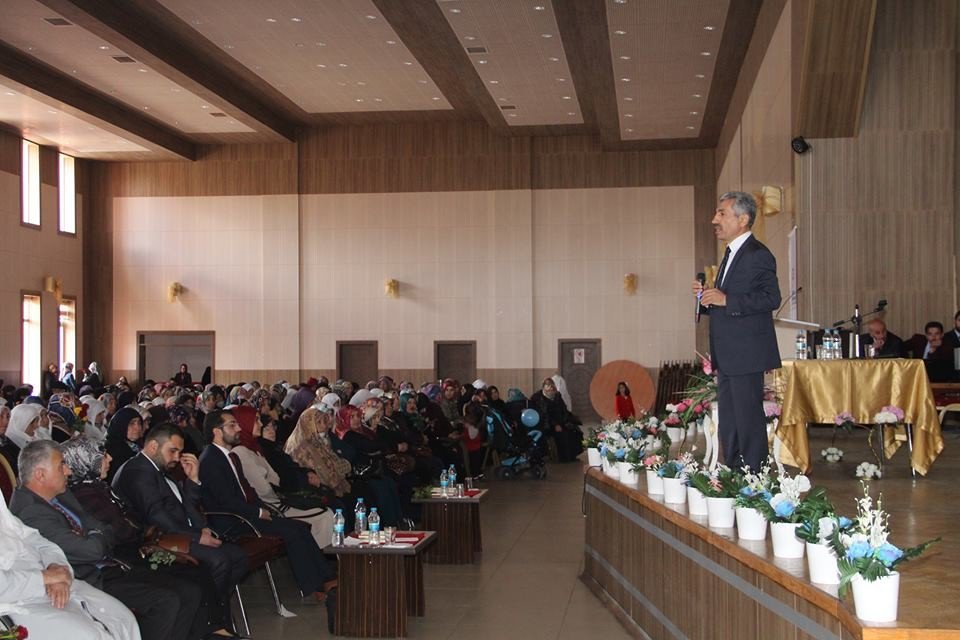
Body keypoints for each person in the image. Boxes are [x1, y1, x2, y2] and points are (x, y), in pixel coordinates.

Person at [11, 441, 192, 640]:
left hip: (111, 563)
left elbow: (103, 528)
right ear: (40, 474)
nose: (68, 471)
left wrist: (96, 534)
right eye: (61, 465)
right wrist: (97, 534)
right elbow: (91, 549)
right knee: (167, 600)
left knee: (187, 587)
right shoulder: (31, 511)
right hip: (88, 578)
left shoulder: (60, 494)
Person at [61, 437, 238, 639]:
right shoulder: (85, 495)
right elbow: (121, 531)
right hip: (128, 557)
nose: (109, 459)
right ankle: (211, 630)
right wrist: (148, 533)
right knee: (192, 577)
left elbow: (132, 522)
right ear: (84, 461)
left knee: (198, 571)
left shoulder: (98, 487)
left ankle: (213, 629)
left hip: (141, 547)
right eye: (102, 456)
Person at [199, 410, 337, 603]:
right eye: (232, 425)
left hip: (246, 513)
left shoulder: (230, 456)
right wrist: (258, 511)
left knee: (298, 527)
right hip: (232, 521)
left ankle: (325, 578)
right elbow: (226, 501)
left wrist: (264, 508)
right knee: (293, 532)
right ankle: (312, 587)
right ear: (217, 431)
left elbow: (247, 490)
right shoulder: (210, 460)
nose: (238, 428)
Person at [111, 424, 249, 608]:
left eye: (180, 451)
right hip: (156, 541)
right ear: (153, 447)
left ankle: (213, 607)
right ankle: (210, 614)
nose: (177, 457)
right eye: (173, 451)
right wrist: (198, 537)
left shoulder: (158, 468)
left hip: (178, 532)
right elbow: (157, 516)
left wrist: (193, 480)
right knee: (220, 560)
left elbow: (185, 506)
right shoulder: (138, 472)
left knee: (238, 557)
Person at [692, 191, 781, 472]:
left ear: (743, 219)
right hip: (729, 353)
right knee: (730, 420)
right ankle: (733, 473)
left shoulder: (757, 254)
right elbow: (725, 299)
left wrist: (726, 299)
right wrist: (706, 297)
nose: (714, 219)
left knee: (748, 420)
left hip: (746, 353)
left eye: (722, 213)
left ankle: (754, 479)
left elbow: (771, 298)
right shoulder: (732, 253)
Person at [0, 492, 141, 640]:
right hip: (17, 601)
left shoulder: (6, 519)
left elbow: (42, 544)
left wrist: (56, 568)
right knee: (87, 635)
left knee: (123, 618)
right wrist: (45, 578)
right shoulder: (30, 508)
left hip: (55, 583)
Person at [104, 407, 144, 483]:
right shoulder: (112, 449)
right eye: (132, 423)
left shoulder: (137, 445)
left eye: (139, 423)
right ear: (121, 425)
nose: (137, 427)